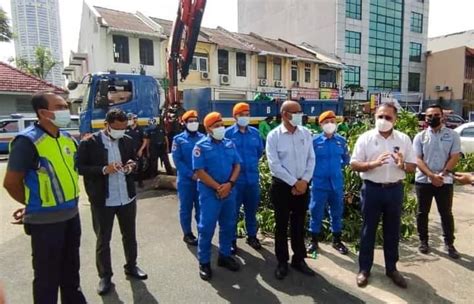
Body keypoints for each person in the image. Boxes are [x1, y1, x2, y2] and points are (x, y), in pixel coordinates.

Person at [3, 91, 86, 304]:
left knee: (71, 272)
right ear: (43, 112)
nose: (66, 110)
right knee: (47, 279)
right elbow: (11, 183)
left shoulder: (67, 139)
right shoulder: (28, 141)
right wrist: (32, 204)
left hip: (71, 216)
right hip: (46, 222)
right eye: (59, 107)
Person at [78, 109, 147, 296]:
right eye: (117, 128)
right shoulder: (89, 143)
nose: (121, 131)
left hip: (127, 197)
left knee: (129, 235)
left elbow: (133, 160)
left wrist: (132, 165)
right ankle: (105, 275)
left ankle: (131, 266)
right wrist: (103, 169)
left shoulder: (127, 140)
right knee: (103, 240)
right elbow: (80, 168)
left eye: (124, 127)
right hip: (103, 200)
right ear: (107, 125)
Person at [350, 102, 416, 289]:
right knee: (368, 230)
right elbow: (354, 164)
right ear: (375, 117)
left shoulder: (403, 139)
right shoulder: (366, 138)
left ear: (395, 119)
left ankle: (391, 268)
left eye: (388, 117)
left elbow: (412, 167)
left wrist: (403, 164)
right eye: (380, 116)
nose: (383, 120)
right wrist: (372, 164)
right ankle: (364, 269)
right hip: (372, 190)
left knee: (392, 231)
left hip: (394, 190)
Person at [266, 100, 316, 280]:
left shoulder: (306, 133)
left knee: (299, 224)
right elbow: (274, 165)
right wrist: (295, 182)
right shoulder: (274, 136)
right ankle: (281, 261)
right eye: (297, 112)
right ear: (285, 114)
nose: (300, 114)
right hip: (282, 187)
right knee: (281, 225)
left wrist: (304, 181)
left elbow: (311, 159)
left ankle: (299, 259)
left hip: (303, 186)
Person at [192, 112, 241, 281]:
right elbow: (199, 171)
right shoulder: (200, 146)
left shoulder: (230, 144)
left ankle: (224, 255)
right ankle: (204, 262)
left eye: (221, 124)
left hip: (229, 190)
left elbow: (237, 165)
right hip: (209, 193)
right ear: (208, 129)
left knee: (228, 224)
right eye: (216, 125)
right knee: (206, 228)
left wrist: (230, 184)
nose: (221, 128)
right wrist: (218, 187)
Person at [413, 105, 461, 259]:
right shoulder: (420, 136)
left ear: (442, 116)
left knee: (446, 213)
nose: (432, 117)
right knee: (422, 213)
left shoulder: (452, 135)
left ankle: (449, 244)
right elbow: (417, 159)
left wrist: (442, 174)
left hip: (444, 181)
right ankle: (423, 241)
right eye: (429, 115)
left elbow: (454, 156)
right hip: (423, 181)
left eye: (436, 114)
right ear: (425, 118)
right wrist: (431, 175)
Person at [307, 111, 350, 256]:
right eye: (326, 122)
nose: (330, 124)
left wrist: (335, 170)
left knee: (337, 212)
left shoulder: (341, 141)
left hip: (336, 184)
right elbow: (308, 161)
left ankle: (337, 240)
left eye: (333, 121)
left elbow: (346, 160)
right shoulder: (314, 142)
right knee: (315, 212)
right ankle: (313, 241)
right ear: (320, 125)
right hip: (319, 184)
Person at [225, 103, 264, 254]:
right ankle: (231, 239)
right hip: (235, 181)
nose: (245, 117)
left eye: (247, 114)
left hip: (252, 179)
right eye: (242, 114)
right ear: (235, 116)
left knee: (251, 210)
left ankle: (252, 236)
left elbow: (259, 152)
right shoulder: (228, 134)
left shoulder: (255, 133)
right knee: (232, 212)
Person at [172, 110, 205, 246]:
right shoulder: (178, 139)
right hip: (186, 181)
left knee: (201, 208)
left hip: (201, 180)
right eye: (190, 121)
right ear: (184, 123)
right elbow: (177, 160)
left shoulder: (203, 137)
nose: (193, 123)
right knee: (185, 208)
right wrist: (191, 174)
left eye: (195, 120)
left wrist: (202, 175)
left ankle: (202, 231)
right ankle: (187, 234)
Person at [126, 113, 147, 188]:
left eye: (131, 119)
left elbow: (145, 140)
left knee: (140, 166)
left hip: (138, 150)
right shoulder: (126, 129)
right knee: (128, 166)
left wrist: (141, 150)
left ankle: (140, 182)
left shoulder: (140, 129)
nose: (130, 121)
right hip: (128, 151)